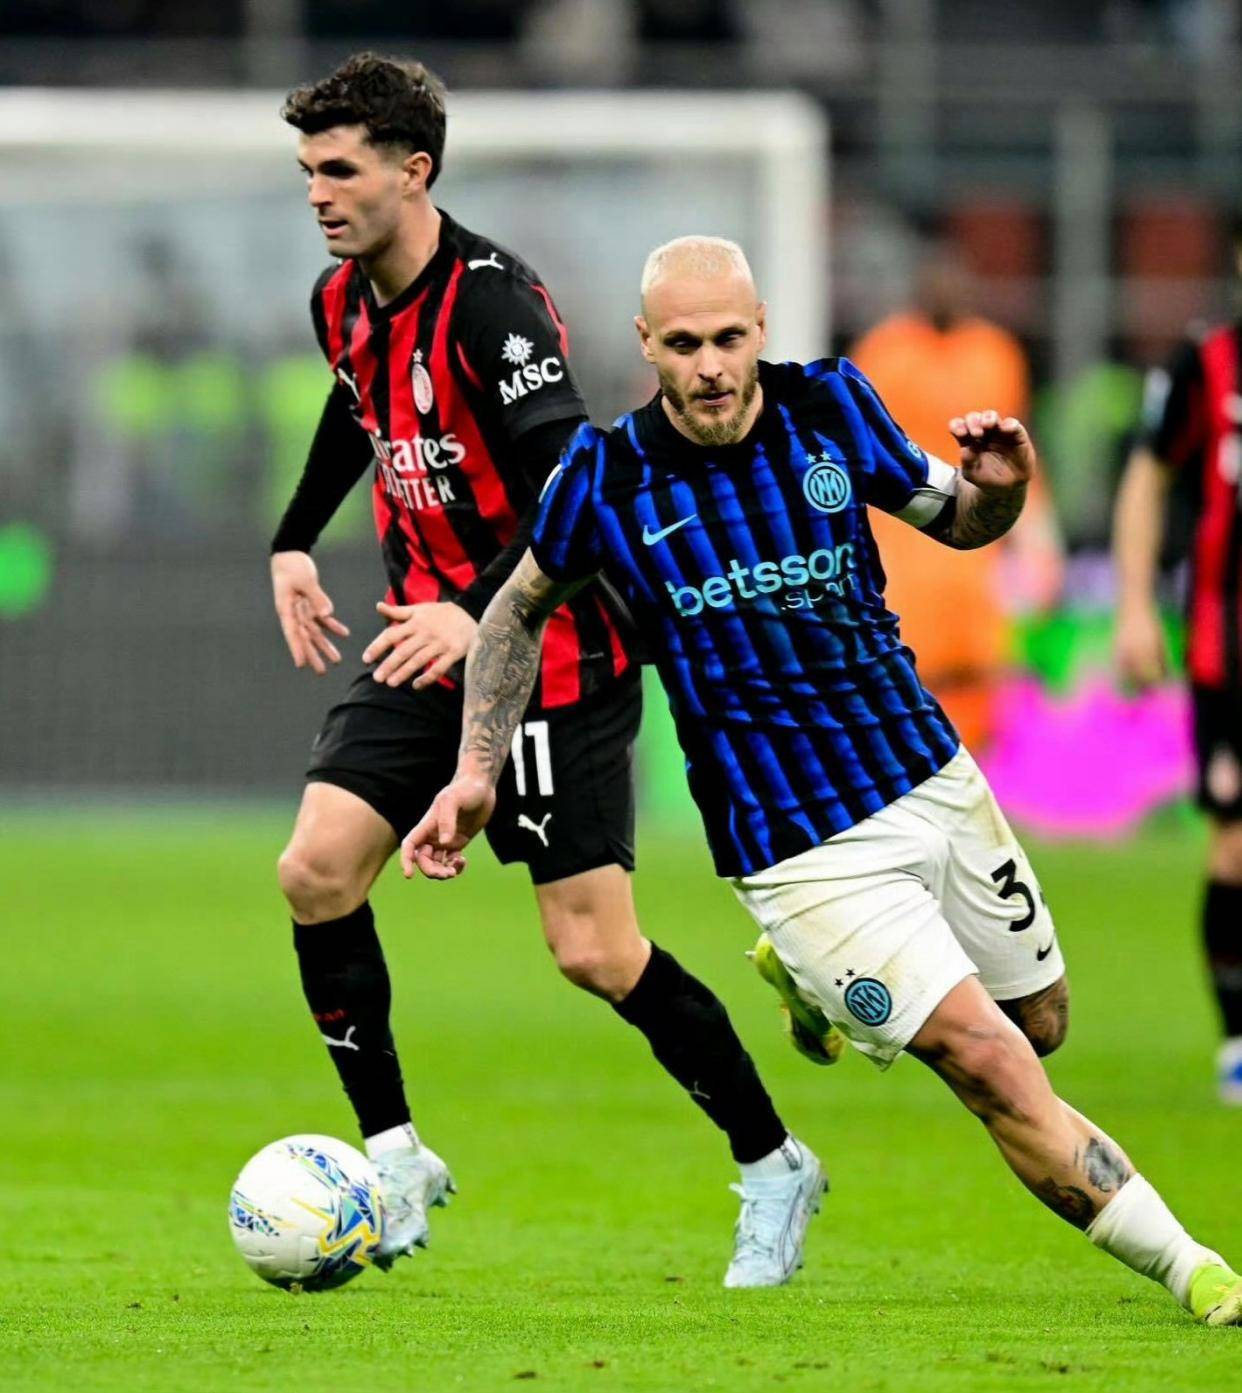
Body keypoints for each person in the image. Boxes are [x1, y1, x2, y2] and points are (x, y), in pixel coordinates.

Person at [404, 235, 1242, 1324]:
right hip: (793, 842)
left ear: (762, 328)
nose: (712, 366)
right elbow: (515, 613)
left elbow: (959, 518)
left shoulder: (834, 406)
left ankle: (802, 982)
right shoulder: (603, 476)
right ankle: (1196, 1269)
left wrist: (1002, 492)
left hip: (927, 773)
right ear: (647, 344)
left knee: (1039, 1024)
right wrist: (477, 769)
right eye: (686, 344)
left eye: (730, 338)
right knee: (989, 1062)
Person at [269, 55, 821, 1286]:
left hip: (549, 650)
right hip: (427, 639)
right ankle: (395, 1156)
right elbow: (356, 409)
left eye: (339, 170)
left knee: (594, 952)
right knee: (314, 869)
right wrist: (294, 538)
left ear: (414, 171)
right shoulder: (340, 300)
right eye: (307, 171)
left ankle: (774, 1160)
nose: (317, 194)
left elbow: (575, 488)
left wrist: (477, 613)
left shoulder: (494, 309)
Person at [1112, 216, 1242, 1103]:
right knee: (1235, 844)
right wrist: (1132, 606)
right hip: (1227, 652)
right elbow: (1148, 475)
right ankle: (1238, 1038)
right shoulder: (1208, 365)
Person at [851, 236, 1062, 752]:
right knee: (907, 683)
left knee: (978, 685)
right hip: (903, 554)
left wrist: (1039, 542)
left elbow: (1019, 452)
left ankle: (974, 773)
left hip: (974, 556)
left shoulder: (995, 354)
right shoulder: (883, 353)